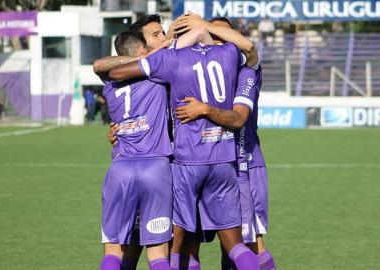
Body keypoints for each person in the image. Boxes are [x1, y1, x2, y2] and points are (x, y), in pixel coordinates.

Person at [107, 21, 262, 269]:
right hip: (224, 161)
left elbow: (112, 71)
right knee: (234, 245)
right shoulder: (230, 55)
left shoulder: (169, 60)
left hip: (184, 163)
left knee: (174, 247)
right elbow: (249, 47)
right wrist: (203, 26)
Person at [175, 17, 276, 270]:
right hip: (201, 164)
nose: (218, 39)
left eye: (223, 34)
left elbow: (239, 118)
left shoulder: (246, 71)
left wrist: (205, 109)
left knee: (248, 245)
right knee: (190, 242)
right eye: (213, 33)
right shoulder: (194, 68)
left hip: (243, 166)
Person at [98, 30, 174, 270]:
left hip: (120, 168)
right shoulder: (156, 75)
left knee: (113, 250)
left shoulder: (109, 85)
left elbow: (102, 66)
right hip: (156, 167)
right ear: (142, 50)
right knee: (158, 253)